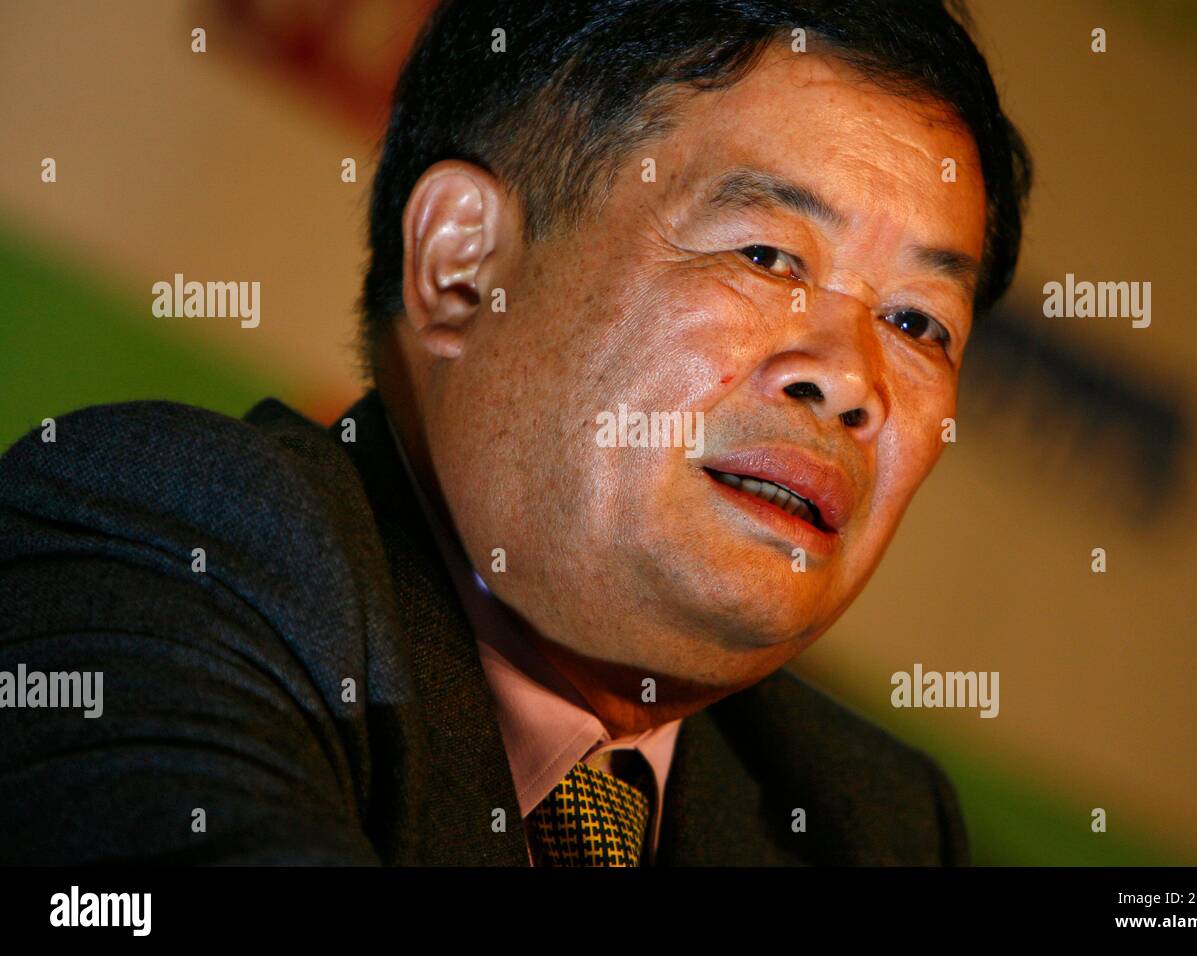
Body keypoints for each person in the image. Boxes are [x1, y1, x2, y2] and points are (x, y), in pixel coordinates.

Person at [0, 0, 1030, 865]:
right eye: (767, 255)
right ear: (462, 264)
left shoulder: (869, 823)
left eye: (915, 323)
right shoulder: (177, 545)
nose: (853, 383)